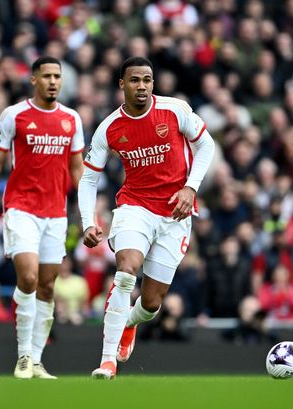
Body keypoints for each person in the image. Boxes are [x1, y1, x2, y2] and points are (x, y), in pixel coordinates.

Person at [78, 56, 215, 379]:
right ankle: (108, 361)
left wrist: (190, 189)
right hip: (134, 207)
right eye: (135, 80)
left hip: (175, 212)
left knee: (152, 303)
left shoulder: (174, 110)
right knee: (126, 269)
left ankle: (128, 324)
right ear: (121, 84)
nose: (142, 86)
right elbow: (88, 179)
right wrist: (88, 221)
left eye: (147, 80)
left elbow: (206, 146)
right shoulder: (109, 128)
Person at [0, 56, 84, 379]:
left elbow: (77, 168)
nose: (52, 81)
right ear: (33, 80)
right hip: (21, 208)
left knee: (48, 286)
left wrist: (89, 213)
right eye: (46, 76)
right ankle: (22, 356)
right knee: (30, 278)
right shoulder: (14, 115)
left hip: (56, 212)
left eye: (57, 76)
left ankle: (36, 360)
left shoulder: (72, 119)